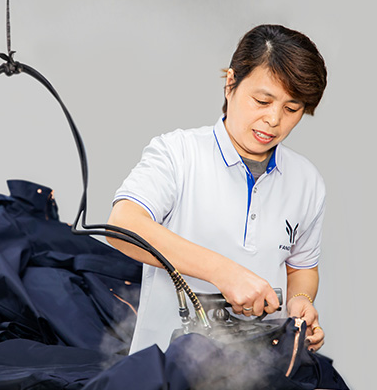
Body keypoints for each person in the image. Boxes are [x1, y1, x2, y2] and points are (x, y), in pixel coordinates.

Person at [107, 24, 328, 355]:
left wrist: (301, 302)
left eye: (291, 109)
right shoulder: (178, 153)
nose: (273, 119)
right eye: (262, 100)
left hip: (260, 368)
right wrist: (224, 272)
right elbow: (122, 226)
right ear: (230, 83)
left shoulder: (306, 181)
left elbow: (302, 267)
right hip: (164, 367)